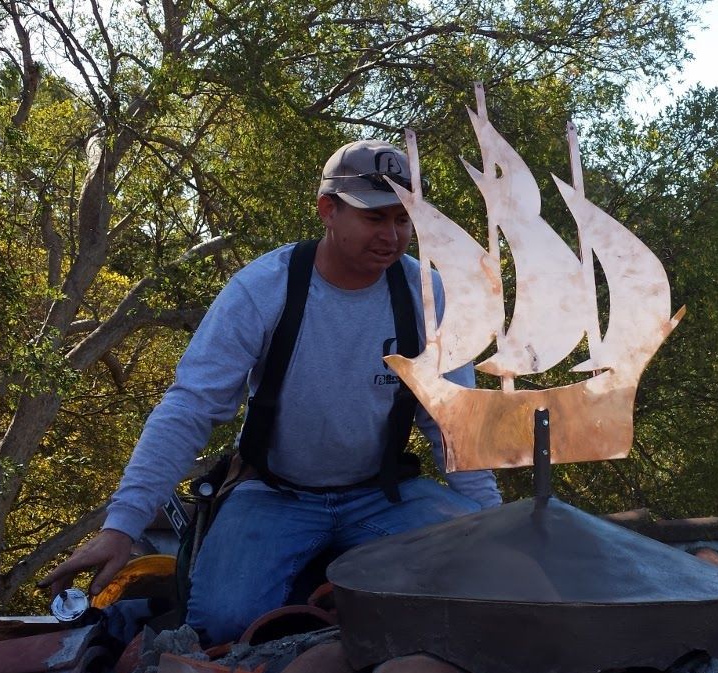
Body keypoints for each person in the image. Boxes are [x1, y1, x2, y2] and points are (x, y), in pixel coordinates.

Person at [42, 139, 501, 643]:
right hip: (275, 493)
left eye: (402, 219)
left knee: (483, 579)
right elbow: (191, 407)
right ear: (329, 210)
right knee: (223, 625)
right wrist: (122, 526)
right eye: (375, 218)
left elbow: (453, 423)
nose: (391, 236)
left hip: (381, 495)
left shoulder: (426, 297)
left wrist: (493, 523)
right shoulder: (264, 289)